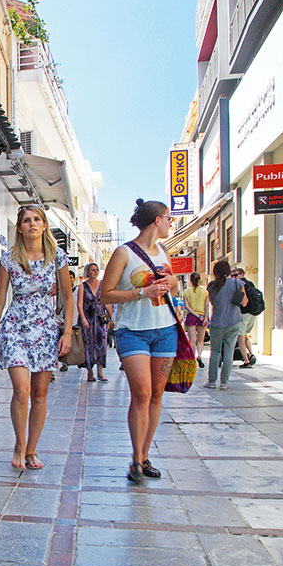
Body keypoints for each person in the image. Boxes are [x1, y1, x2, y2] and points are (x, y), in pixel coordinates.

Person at [0, 205, 75, 471]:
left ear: (44, 225)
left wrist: (67, 332)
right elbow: (0, 299)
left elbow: (68, 298)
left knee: (40, 393)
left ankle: (32, 449)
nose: (32, 224)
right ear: (20, 228)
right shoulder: (9, 259)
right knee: (21, 390)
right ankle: (19, 444)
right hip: (15, 327)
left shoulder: (57, 256)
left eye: (37, 219)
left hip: (45, 328)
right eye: (26, 220)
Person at [100, 199, 179, 484]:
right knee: (142, 393)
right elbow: (105, 294)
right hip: (132, 330)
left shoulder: (164, 250)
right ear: (157, 220)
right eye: (169, 218)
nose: (171, 223)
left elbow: (173, 284)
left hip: (165, 329)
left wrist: (172, 283)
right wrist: (141, 294)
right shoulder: (123, 253)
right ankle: (135, 457)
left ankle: (144, 456)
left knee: (157, 394)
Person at [204, 260, 247, 389]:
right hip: (233, 321)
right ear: (228, 271)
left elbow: (212, 302)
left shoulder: (212, 286)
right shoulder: (238, 284)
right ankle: (224, 382)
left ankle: (211, 381)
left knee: (215, 351)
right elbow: (244, 302)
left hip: (217, 322)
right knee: (229, 352)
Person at [77, 262, 114, 382]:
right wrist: (83, 318)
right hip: (88, 317)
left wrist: (111, 318)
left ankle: (100, 372)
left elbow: (106, 302)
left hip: (100, 318)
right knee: (88, 344)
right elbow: (80, 304)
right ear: (87, 272)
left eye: (97, 270)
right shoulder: (83, 286)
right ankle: (90, 371)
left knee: (101, 344)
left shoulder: (102, 285)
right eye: (93, 270)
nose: (95, 272)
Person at [230, 267, 258, 368]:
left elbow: (242, 301)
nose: (233, 277)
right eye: (232, 275)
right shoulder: (250, 283)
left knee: (240, 338)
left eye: (235, 275)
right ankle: (251, 354)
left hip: (243, 314)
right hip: (252, 314)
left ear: (242, 274)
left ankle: (246, 361)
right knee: (245, 335)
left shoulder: (239, 285)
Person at [182, 272, 209, 368]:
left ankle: (192, 358)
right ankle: (199, 355)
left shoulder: (186, 291)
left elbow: (187, 307)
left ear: (190, 280)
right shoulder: (205, 290)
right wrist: (205, 317)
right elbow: (207, 305)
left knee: (192, 339)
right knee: (200, 340)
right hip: (202, 316)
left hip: (191, 317)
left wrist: (196, 315)